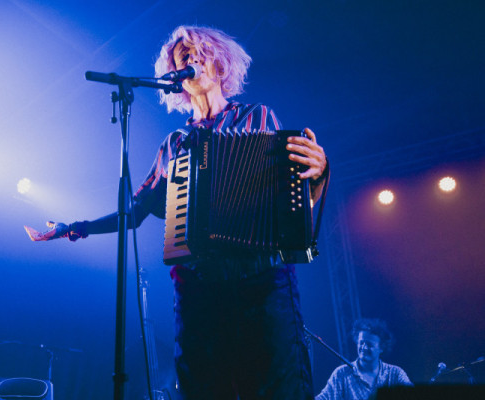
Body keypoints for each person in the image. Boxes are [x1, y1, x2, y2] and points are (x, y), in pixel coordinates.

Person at [26, 25, 328, 400]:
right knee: (203, 388)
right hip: (200, 292)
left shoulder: (260, 118)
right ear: (176, 79)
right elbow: (134, 212)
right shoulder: (174, 145)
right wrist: (74, 228)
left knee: (277, 389)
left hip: (263, 286)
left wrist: (318, 173)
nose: (191, 59)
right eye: (182, 56)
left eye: (199, 52)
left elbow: (293, 201)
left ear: (220, 65)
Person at [316, 318, 413, 400]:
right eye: (361, 342)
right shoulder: (341, 374)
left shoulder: (395, 374)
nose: (364, 347)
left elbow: (413, 395)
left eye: (370, 345)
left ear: (382, 348)